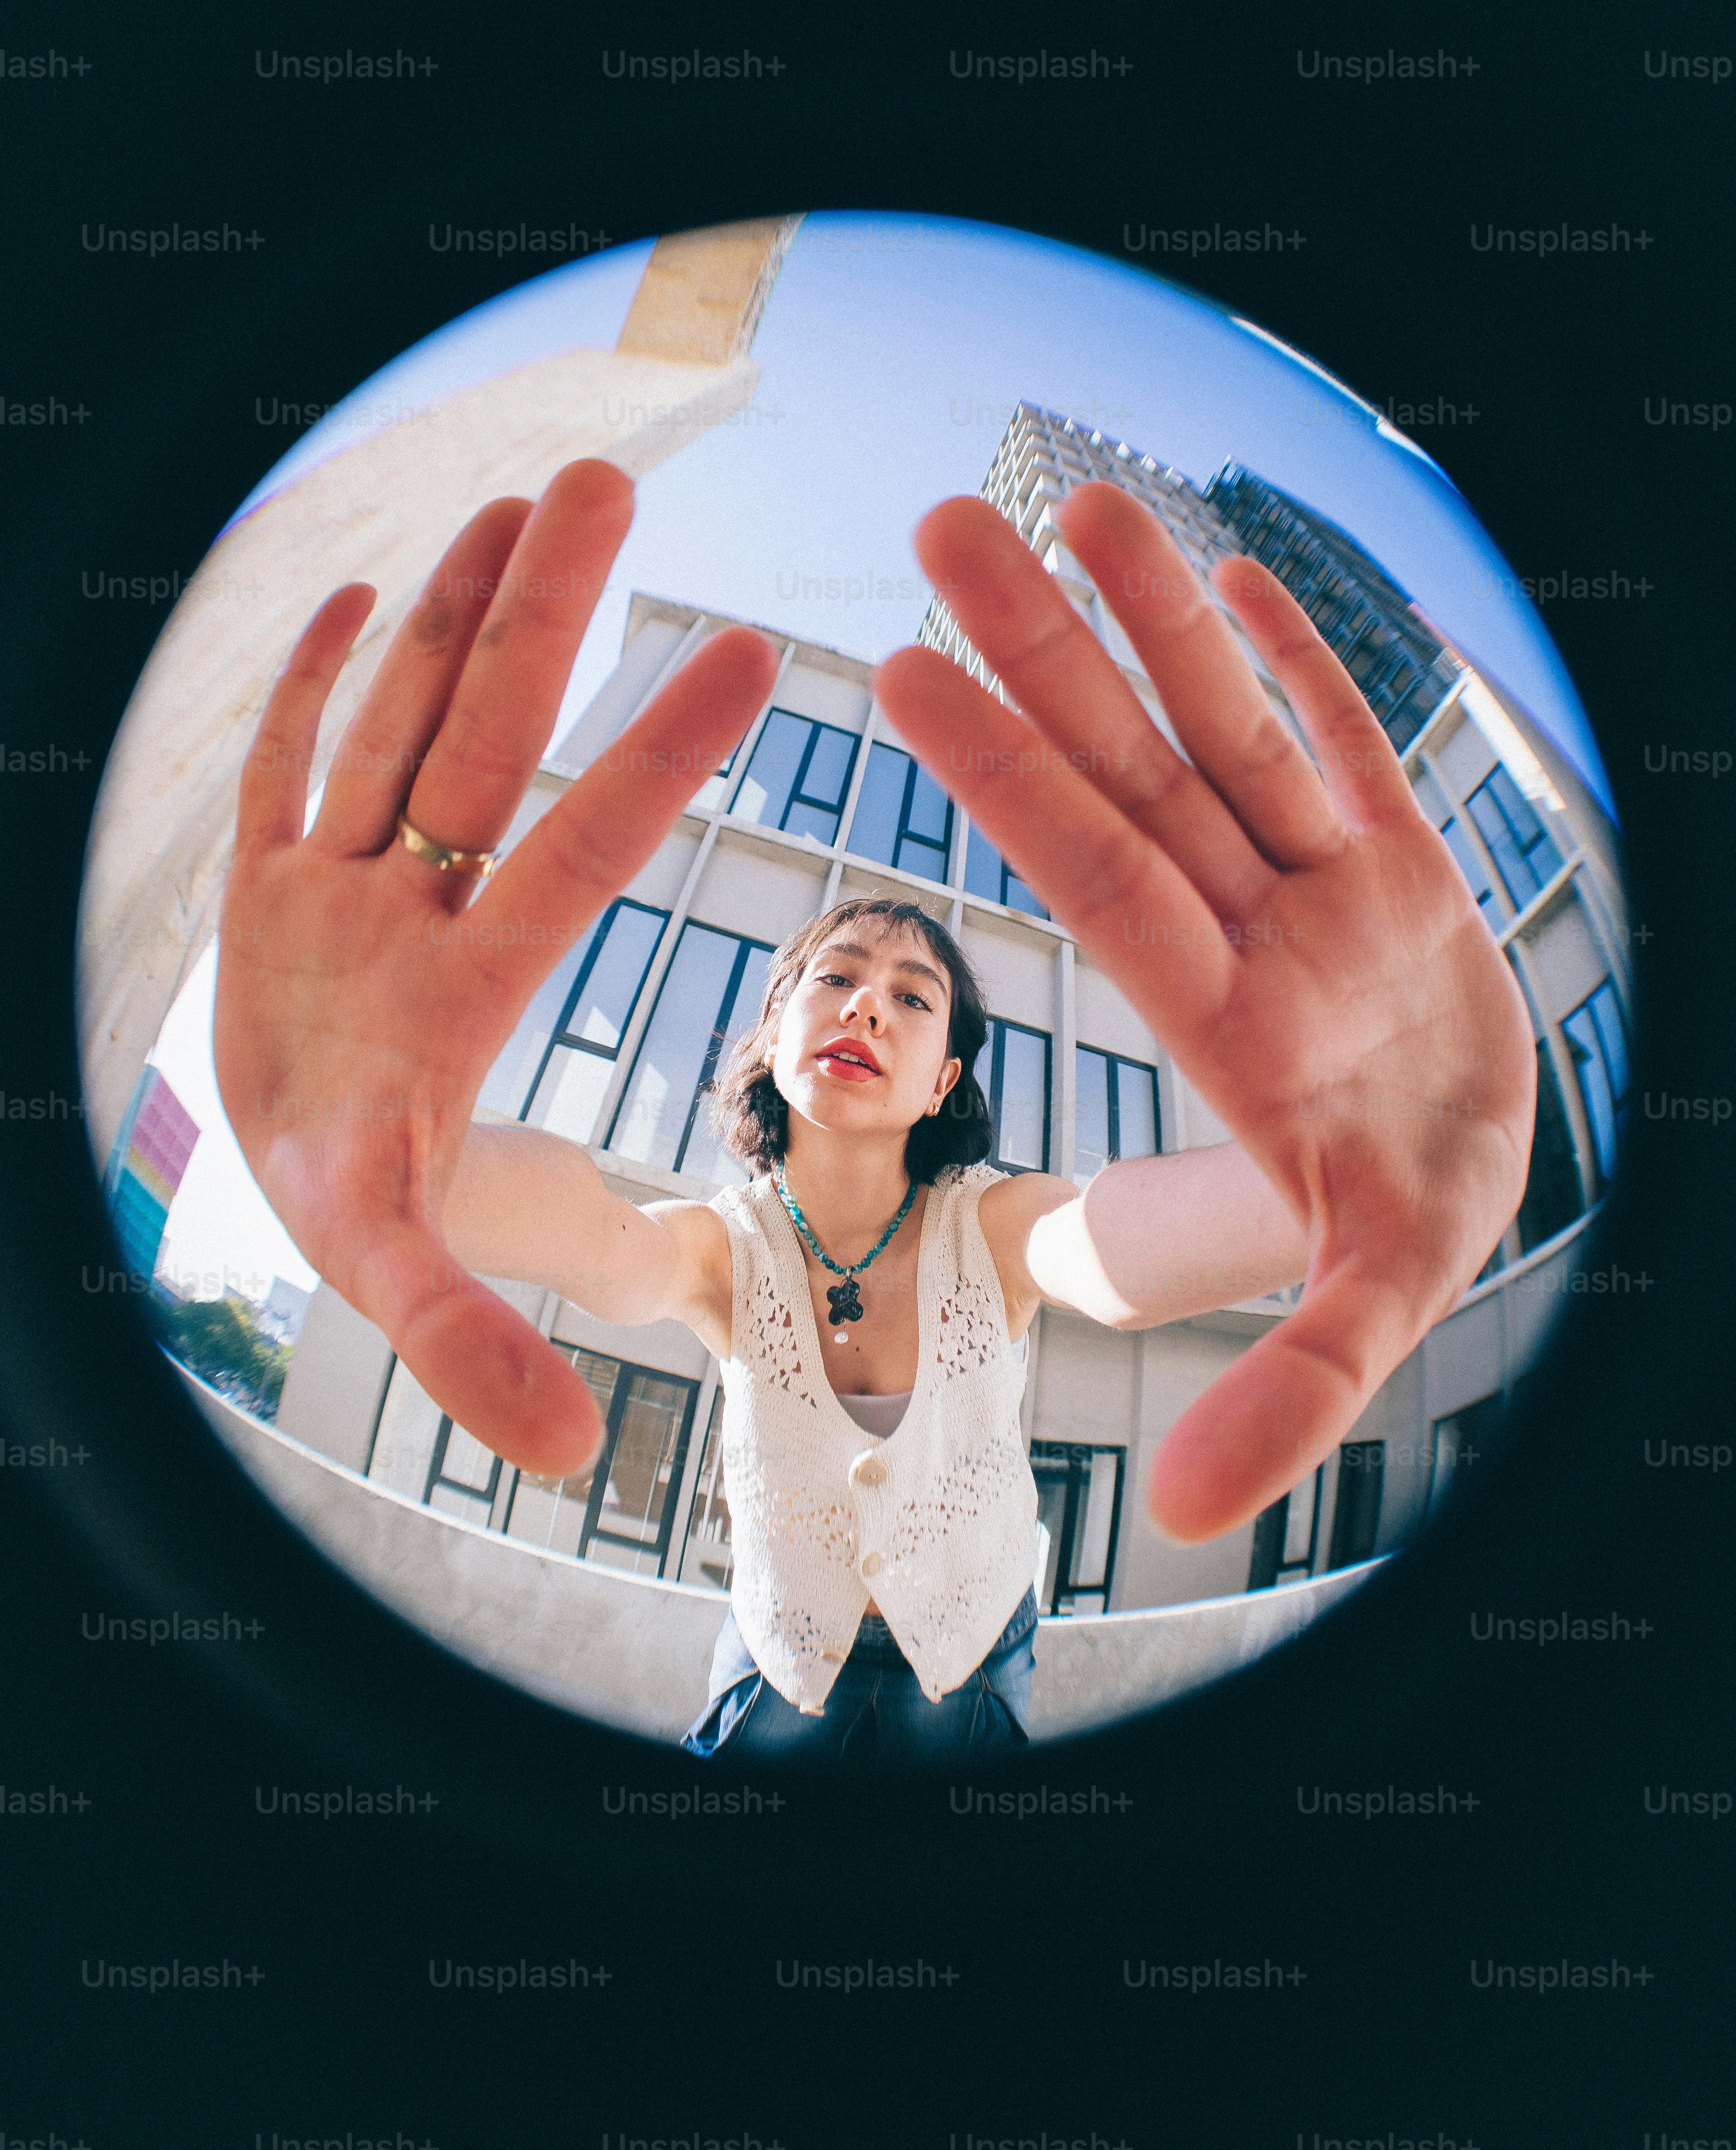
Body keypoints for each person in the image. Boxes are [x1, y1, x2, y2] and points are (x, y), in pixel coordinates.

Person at [214, 457, 1534, 1762]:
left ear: (948, 1077)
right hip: (773, 1679)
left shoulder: (997, 1227)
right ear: (774, 1029)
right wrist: (388, 1160)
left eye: (914, 998)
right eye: (835, 978)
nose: (869, 1008)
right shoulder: (726, 1247)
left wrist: (1358, 1171)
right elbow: (601, 1240)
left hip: (979, 1677)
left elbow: (1117, 1248)